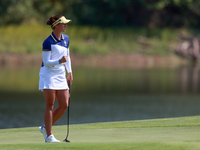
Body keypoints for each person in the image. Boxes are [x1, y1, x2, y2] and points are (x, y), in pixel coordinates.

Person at [38, 15, 73, 143]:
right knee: (50, 105)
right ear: (57, 25)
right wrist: (59, 61)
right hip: (48, 75)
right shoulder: (48, 41)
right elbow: (46, 62)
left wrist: (70, 72)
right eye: (64, 24)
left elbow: (67, 56)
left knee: (64, 104)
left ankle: (44, 127)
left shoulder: (66, 39)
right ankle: (49, 136)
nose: (66, 26)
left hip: (60, 74)